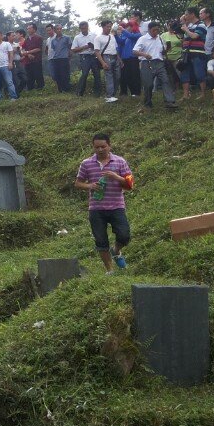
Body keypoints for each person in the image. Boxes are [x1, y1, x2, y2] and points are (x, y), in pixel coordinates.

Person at [73, 133, 133, 274]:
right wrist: (90, 186)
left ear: (109, 146)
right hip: (96, 208)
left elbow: (130, 183)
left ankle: (116, 250)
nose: (100, 149)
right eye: (97, 147)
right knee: (101, 240)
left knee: (124, 235)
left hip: (117, 206)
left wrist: (116, 177)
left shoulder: (120, 162)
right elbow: (78, 183)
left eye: (103, 146)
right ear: (93, 147)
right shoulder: (86, 163)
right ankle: (110, 270)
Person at [132, 22, 177, 110]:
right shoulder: (143, 39)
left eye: (157, 30)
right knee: (148, 84)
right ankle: (147, 102)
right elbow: (134, 51)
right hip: (147, 63)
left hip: (160, 63)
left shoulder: (160, 38)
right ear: (149, 29)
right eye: (154, 30)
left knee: (166, 81)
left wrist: (167, 49)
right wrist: (144, 54)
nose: (156, 32)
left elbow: (162, 51)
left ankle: (169, 102)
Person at [178, 6, 208, 100]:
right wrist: (184, 25)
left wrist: (186, 30)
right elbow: (184, 39)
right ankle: (185, 95)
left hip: (197, 52)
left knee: (199, 73)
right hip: (186, 53)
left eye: (186, 14)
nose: (185, 16)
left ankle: (203, 94)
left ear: (192, 14)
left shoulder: (201, 25)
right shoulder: (188, 26)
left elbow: (195, 36)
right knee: (184, 73)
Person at [94, 20, 121, 103]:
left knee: (118, 76)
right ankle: (110, 95)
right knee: (109, 76)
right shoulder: (98, 38)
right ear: (103, 27)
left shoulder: (112, 36)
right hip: (106, 57)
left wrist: (120, 59)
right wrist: (103, 62)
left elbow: (115, 48)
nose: (109, 28)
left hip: (115, 57)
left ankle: (113, 93)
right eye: (107, 26)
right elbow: (97, 51)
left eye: (110, 27)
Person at [116, 12, 143, 97]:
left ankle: (136, 92)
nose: (127, 28)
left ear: (133, 27)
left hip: (133, 58)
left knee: (134, 76)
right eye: (127, 26)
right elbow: (120, 42)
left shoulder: (138, 35)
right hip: (124, 59)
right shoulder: (125, 36)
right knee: (124, 76)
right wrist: (116, 35)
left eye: (129, 26)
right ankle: (126, 92)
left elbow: (132, 36)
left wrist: (123, 30)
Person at [72, 22, 101, 97]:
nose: (83, 30)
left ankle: (97, 93)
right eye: (82, 29)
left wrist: (92, 46)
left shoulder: (94, 35)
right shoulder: (77, 37)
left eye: (84, 28)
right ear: (80, 28)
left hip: (94, 56)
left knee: (97, 74)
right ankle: (80, 92)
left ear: (87, 27)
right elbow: (73, 50)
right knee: (84, 74)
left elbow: (99, 46)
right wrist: (84, 47)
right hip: (84, 56)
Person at [46, 24, 72, 93]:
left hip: (64, 58)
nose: (59, 30)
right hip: (56, 59)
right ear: (55, 30)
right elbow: (54, 49)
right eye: (57, 29)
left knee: (65, 74)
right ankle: (60, 90)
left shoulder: (67, 38)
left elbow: (70, 48)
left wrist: (69, 59)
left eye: (60, 29)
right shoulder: (53, 40)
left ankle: (66, 89)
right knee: (57, 75)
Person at [22, 23, 44, 91]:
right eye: (27, 28)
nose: (28, 30)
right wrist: (28, 54)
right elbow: (23, 49)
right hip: (28, 61)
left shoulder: (39, 38)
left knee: (38, 74)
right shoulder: (27, 39)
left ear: (34, 29)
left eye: (29, 28)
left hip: (36, 60)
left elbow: (39, 48)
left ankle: (41, 88)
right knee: (29, 76)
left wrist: (28, 52)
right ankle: (30, 89)